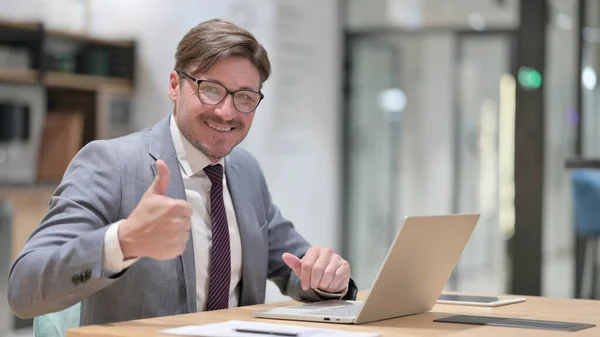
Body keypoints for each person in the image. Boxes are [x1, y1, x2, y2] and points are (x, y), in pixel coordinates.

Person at [7, 18, 357, 326]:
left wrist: (326, 278)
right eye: (211, 90)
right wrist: (123, 242)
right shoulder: (110, 164)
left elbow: (295, 268)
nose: (226, 112)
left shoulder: (246, 172)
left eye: (245, 97)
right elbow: (24, 289)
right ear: (175, 85)